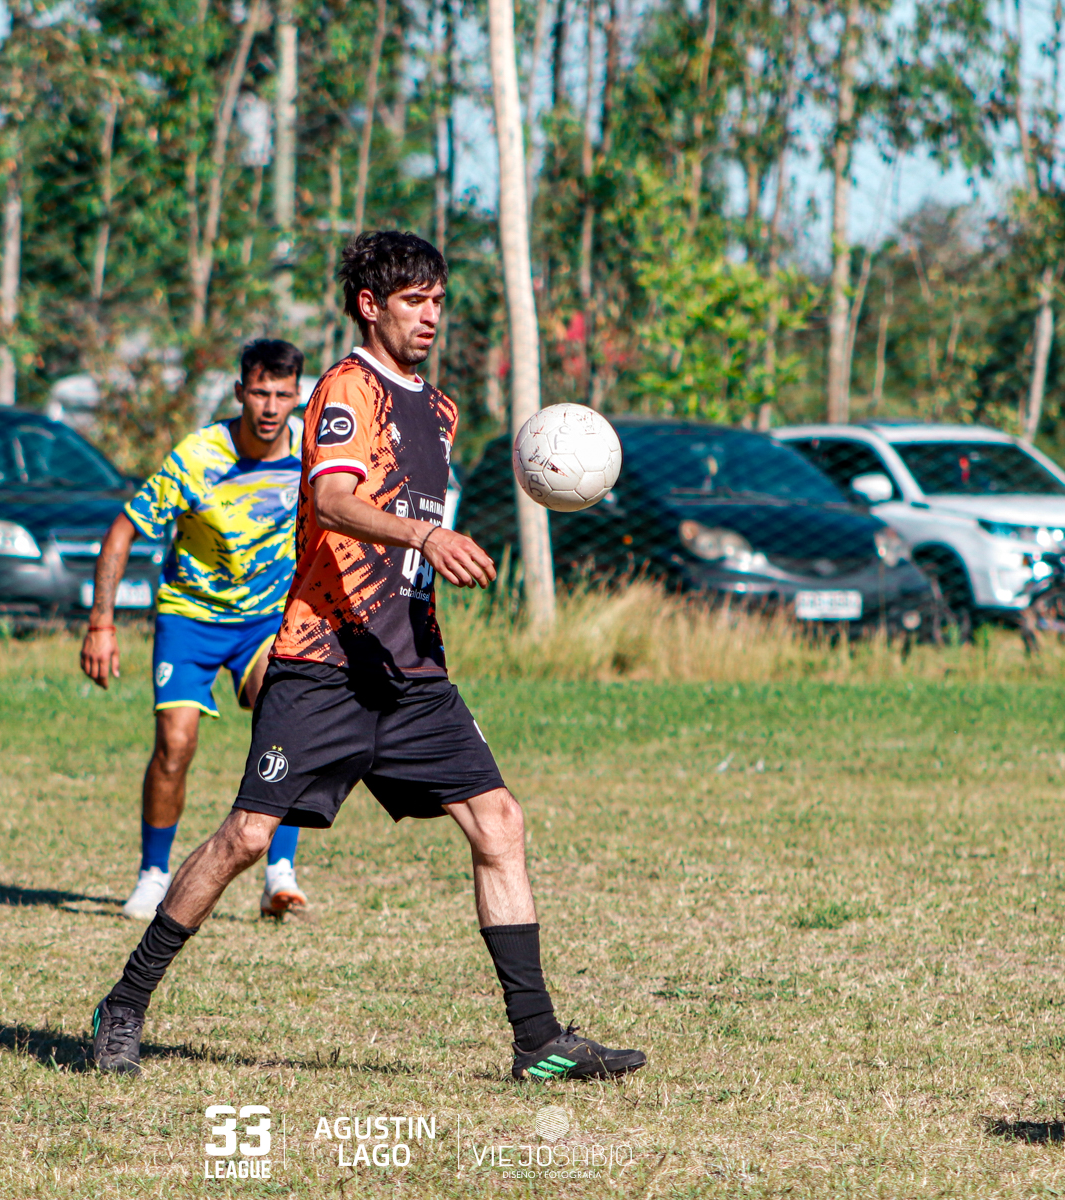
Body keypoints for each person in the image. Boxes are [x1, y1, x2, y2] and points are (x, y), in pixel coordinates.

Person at [87, 231, 648, 1083]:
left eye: (438, 301)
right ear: (369, 305)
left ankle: (538, 1043)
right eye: (414, 301)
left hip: (412, 670)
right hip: (324, 663)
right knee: (246, 837)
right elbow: (332, 500)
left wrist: (431, 555)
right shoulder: (347, 390)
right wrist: (426, 534)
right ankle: (124, 1005)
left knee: (499, 822)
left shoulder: (440, 410)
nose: (431, 317)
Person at [81, 339, 310, 921]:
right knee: (175, 744)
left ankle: (280, 872)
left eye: (282, 394)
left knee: (286, 723)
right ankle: (154, 875)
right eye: (259, 392)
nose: (269, 406)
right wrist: (102, 623)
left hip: (265, 620)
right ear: (239, 392)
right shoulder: (199, 456)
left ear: (296, 397)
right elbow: (122, 531)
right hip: (190, 616)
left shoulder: (310, 454)